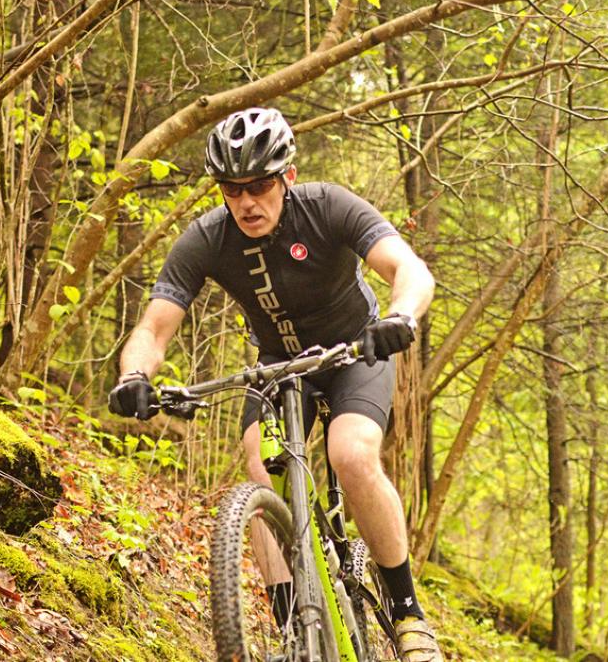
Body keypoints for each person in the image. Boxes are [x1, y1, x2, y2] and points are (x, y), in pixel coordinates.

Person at [107, 107, 442, 662]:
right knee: (257, 464)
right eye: (232, 190)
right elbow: (154, 325)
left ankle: (408, 616)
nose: (246, 202)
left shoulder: (327, 206)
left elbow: (409, 269)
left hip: (354, 349)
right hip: (276, 364)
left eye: (259, 185)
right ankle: (291, 626)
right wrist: (135, 375)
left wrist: (401, 316)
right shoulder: (208, 239)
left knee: (351, 454)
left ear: (285, 176)